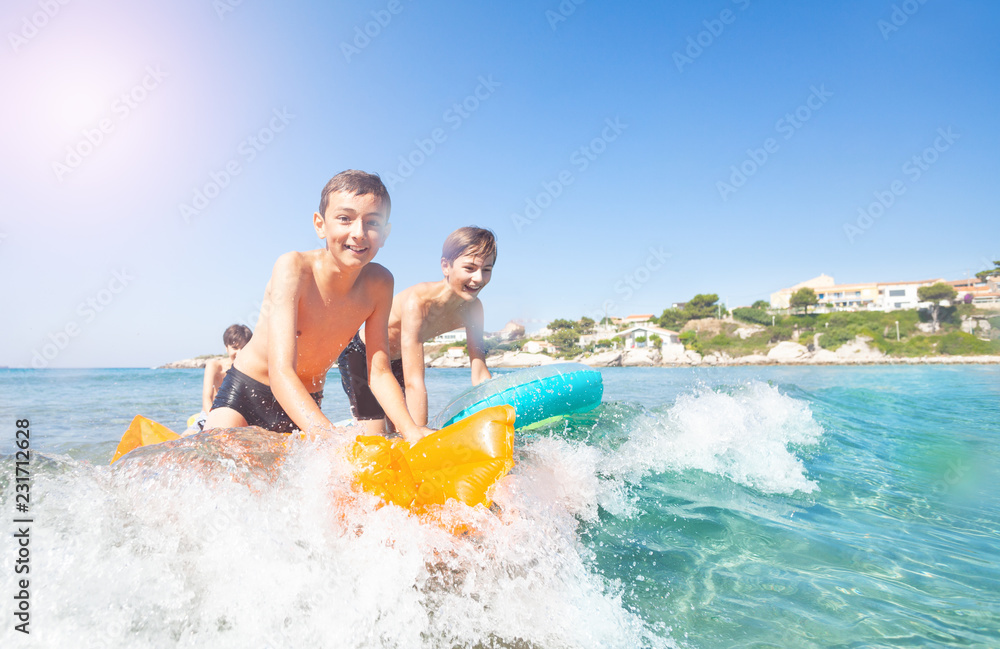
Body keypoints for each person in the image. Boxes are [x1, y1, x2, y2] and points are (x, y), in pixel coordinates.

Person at [203, 170, 430, 443]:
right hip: (247, 391)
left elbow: (379, 372)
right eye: (345, 218)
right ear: (320, 224)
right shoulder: (294, 268)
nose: (358, 233)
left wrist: (412, 431)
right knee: (217, 463)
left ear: (385, 233)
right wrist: (332, 438)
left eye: (372, 222)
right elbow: (281, 373)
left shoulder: (380, 283)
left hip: (305, 401)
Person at [339, 226, 496, 434]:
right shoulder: (419, 302)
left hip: (398, 361)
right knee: (378, 437)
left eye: (487, 270)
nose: (478, 279)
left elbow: (479, 371)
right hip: (362, 356)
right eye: (469, 268)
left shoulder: (474, 308)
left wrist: (499, 405)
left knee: (399, 432)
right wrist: (420, 433)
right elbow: (414, 382)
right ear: (446, 266)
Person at [183, 324, 252, 436]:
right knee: (185, 437)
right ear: (226, 348)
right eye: (234, 348)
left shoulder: (250, 369)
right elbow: (207, 397)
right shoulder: (214, 366)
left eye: (243, 348)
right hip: (210, 412)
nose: (239, 352)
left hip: (235, 415)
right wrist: (212, 422)